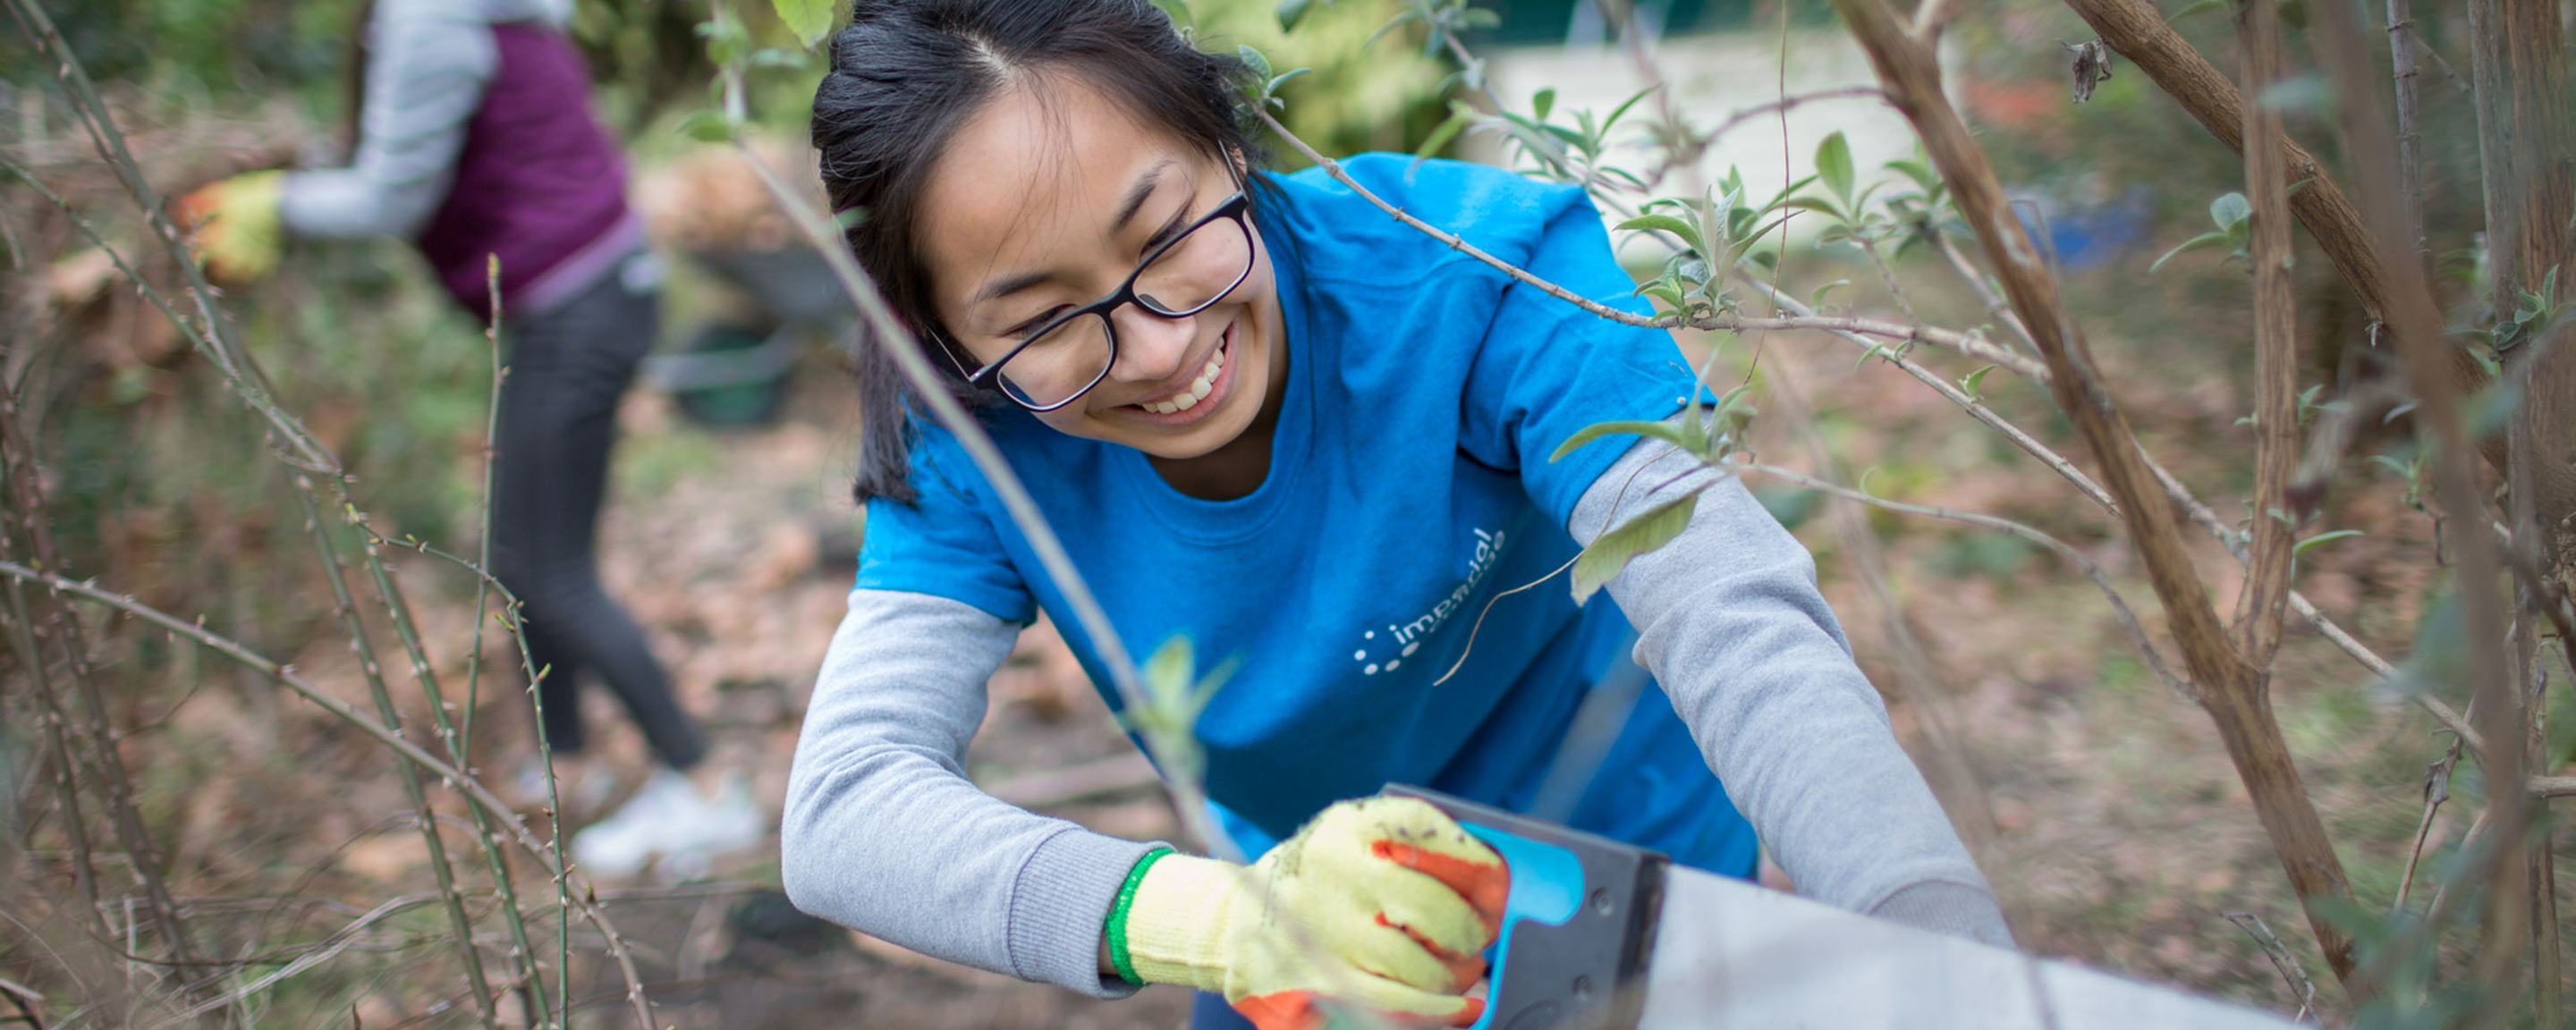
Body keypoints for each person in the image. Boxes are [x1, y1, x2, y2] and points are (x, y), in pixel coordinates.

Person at [782, 1, 2012, 1026]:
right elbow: (846, 810)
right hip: (1322, 932)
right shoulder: (977, 445)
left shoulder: (1480, 278)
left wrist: (1940, 953)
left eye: (1163, 237)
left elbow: (1736, 620)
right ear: (942, 336)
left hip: (1635, 877)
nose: (1158, 350)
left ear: (1229, 144)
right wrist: (1228, 922)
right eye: (1046, 320)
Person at [176, 0, 759, 876]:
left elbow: (391, 196)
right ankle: (571, 764)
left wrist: (276, 201)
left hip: (578, 302)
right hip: (589, 289)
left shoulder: (429, 18)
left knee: (550, 569)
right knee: (523, 560)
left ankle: (707, 787)